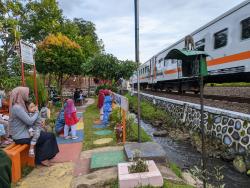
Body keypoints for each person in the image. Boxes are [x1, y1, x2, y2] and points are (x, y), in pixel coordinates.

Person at [9, 87, 59, 166]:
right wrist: (36, 112)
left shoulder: (19, 106)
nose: (27, 95)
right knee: (49, 136)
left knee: (45, 135)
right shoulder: (17, 108)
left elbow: (27, 121)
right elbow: (29, 121)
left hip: (24, 134)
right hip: (20, 137)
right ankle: (43, 158)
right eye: (26, 93)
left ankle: (41, 158)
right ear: (20, 94)